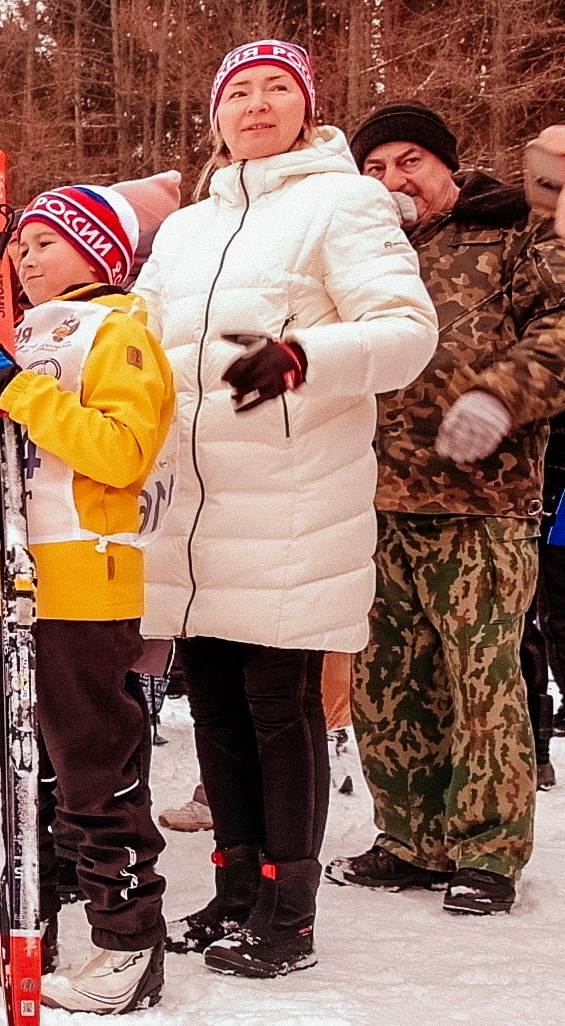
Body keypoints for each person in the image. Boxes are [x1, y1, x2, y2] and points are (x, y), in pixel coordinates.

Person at [132, 40, 438, 978]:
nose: (255, 104)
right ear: (215, 114)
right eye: (238, 91)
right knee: (213, 707)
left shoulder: (342, 200)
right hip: (194, 507)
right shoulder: (185, 227)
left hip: (294, 502)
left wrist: (304, 356)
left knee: (278, 708)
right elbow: (133, 339)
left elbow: (405, 332)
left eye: (276, 90)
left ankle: (287, 911)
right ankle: (231, 888)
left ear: (305, 109)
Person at [0, 184, 175, 1012]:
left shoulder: (121, 330)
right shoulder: (19, 338)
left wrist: (18, 392)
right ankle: (21, 919)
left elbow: (120, 450)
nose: (25, 259)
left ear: (100, 251)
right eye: (19, 247)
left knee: (88, 767)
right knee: (8, 764)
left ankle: (127, 937)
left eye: (46, 244)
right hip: (5, 576)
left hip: (82, 579)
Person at [325, 101, 565, 915]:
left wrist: (502, 397)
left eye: (409, 162)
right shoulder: (357, 252)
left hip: (482, 504)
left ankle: (487, 852)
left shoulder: (509, 236)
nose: (393, 181)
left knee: (481, 683)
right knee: (387, 682)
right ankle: (409, 839)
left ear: (445, 167)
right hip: (371, 501)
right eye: (375, 168)